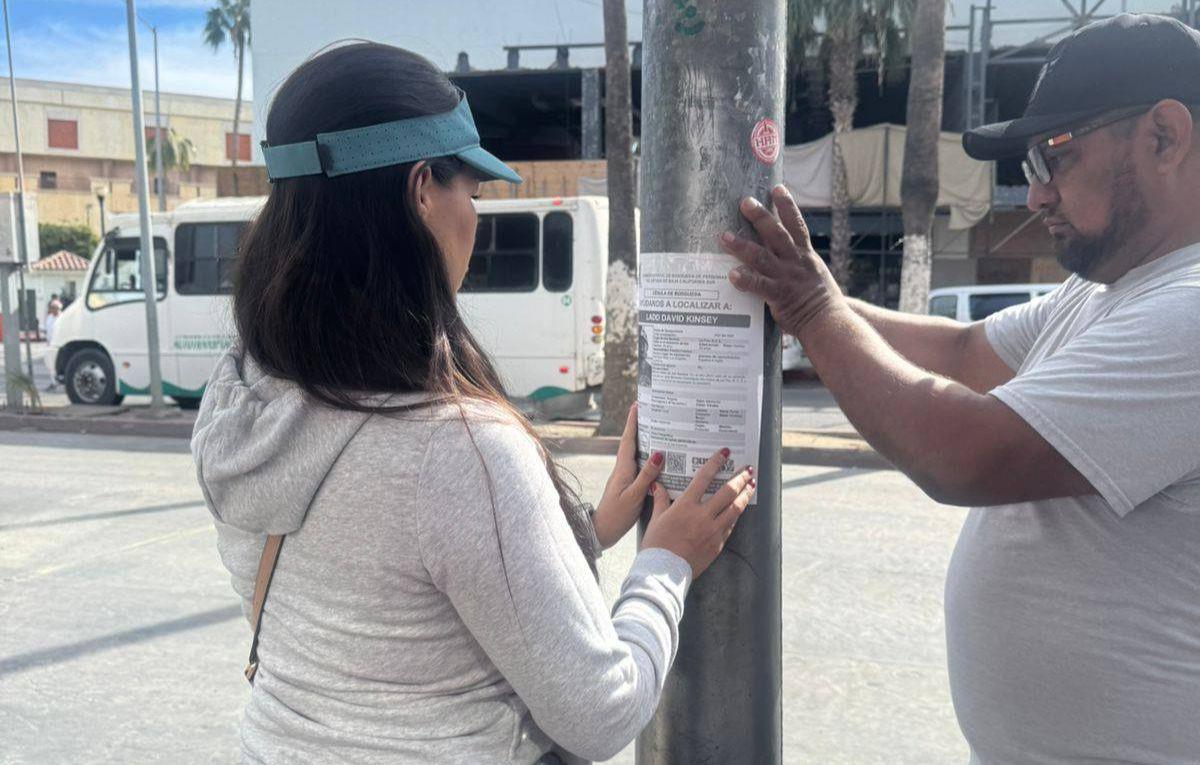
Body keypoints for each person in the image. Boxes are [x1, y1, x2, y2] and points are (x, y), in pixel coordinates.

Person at [191, 42, 754, 765]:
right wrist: (665, 565)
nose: (476, 217)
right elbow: (602, 712)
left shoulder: (243, 393)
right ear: (423, 187)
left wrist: (587, 527)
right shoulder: (454, 449)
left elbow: (386, 591)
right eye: (475, 193)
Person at [721, 14, 1200, 764]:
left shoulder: (1191, 308)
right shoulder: (1111, 288)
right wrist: (798, 297)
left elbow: (964, 452)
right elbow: (964, 350)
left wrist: (813, 309)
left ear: (1164, 137)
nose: (1035, 195)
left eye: (1052, 157)